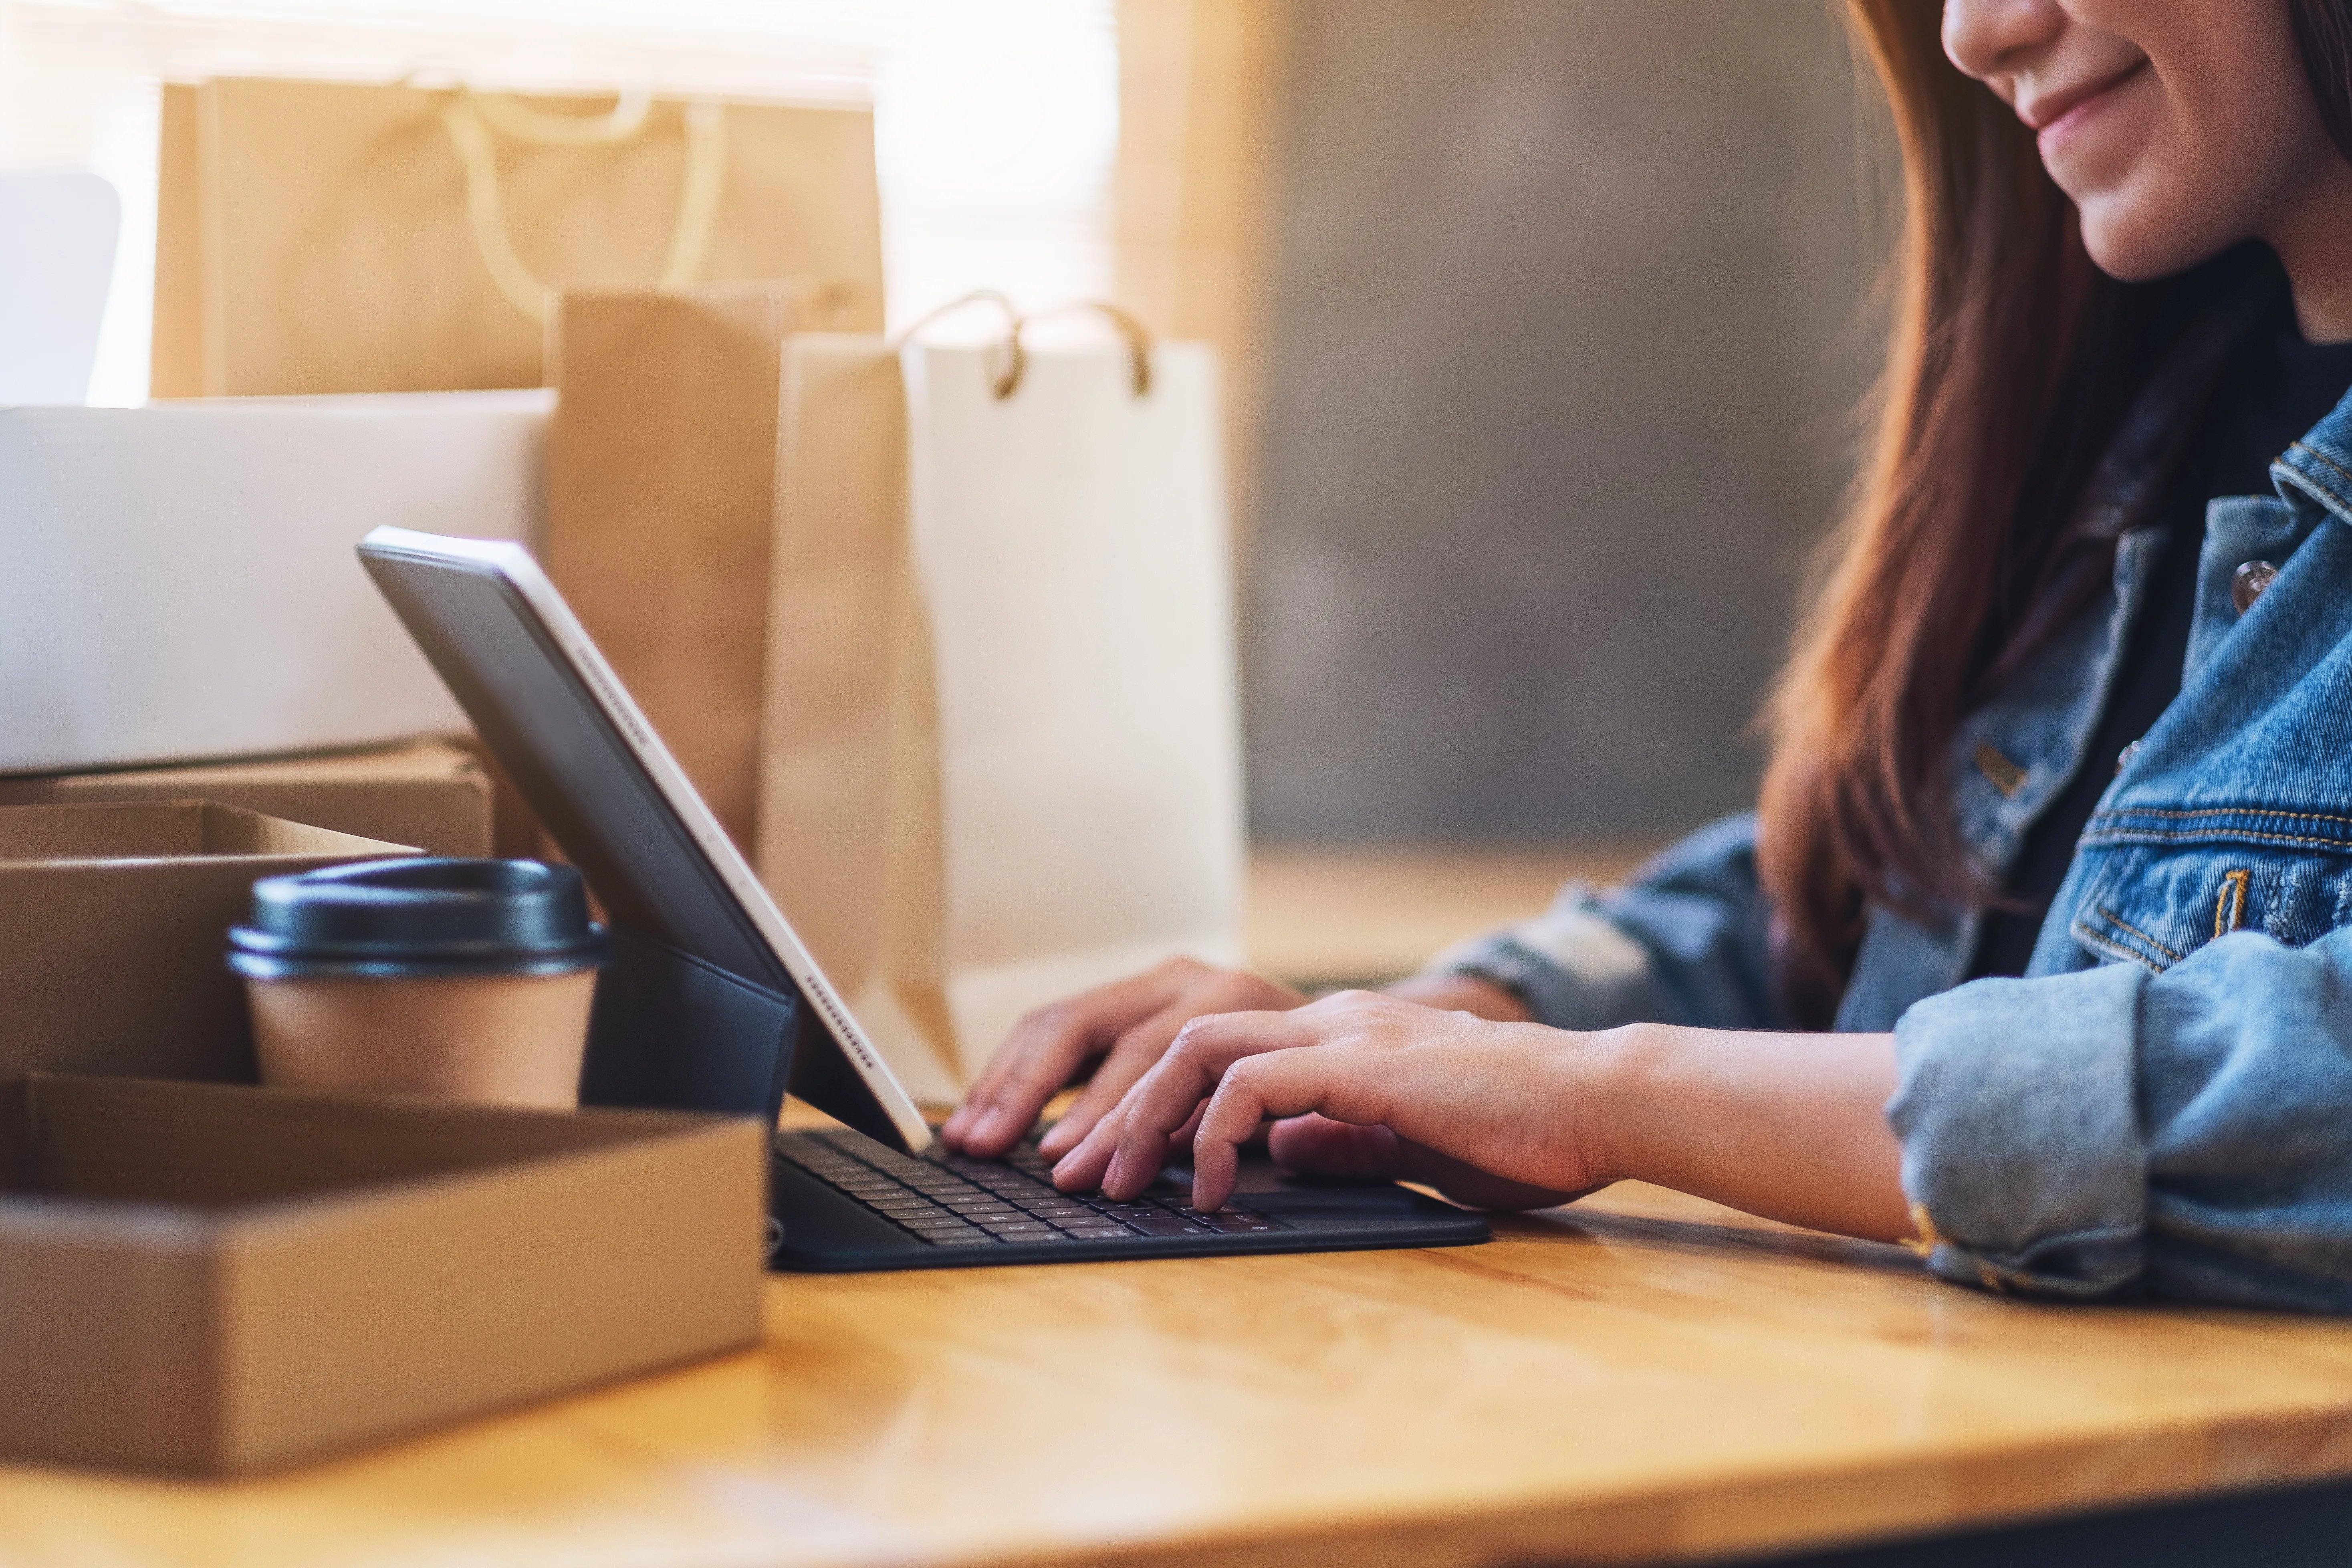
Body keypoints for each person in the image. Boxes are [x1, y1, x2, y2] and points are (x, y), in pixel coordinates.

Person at [942, 0, 2352, 1312]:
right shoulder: (2136, 417)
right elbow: (1874, 917)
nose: (1977, 33)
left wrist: (1599, 1094)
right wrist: (1397, 1044)